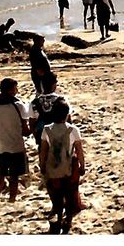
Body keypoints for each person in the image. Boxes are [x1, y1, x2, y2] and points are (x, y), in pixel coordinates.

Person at [40, 98, 85, 234]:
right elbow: (79, 150)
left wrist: (42, 166)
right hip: (70, 167)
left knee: (57, 195)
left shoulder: (46, 130)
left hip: (53, 168)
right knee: (71, 193)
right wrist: (82, 165)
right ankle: (68, 220)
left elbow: (43, 151)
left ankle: (59, 218)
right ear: (67, 114)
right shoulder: (73, 130)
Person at [0, 78, 30, 202]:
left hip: (0, 144)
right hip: (15, 144)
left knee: (1, 171)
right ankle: (12, 199)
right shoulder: (18, 105)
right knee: (14, 175)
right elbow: (25, 129)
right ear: (11, 90)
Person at [29, 73, 70, 151]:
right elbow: (68, 120)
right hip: (60, 138)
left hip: (42, 139)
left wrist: (37, 139)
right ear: (54, 85)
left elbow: (32, 123)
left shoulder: (34, 102)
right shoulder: (62, 100)